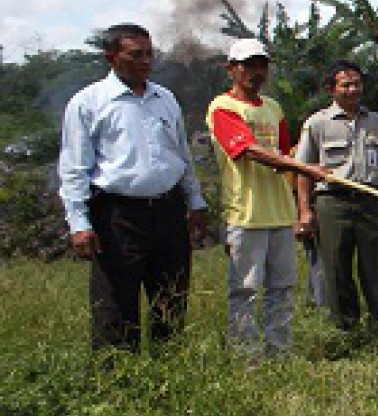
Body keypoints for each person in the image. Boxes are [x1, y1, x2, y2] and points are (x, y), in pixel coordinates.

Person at [57, 23, 208, 351]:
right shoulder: (89, 103)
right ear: (111, 57)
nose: (145, 61)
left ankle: (168, 373)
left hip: (168, 210)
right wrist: (79, 224)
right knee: (115, 302)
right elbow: (74, 168)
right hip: (117, 214)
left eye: (149, 53)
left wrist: (195, 201)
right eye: (135, 54)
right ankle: (118, 384)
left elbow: (181, 154)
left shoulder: (164, 98)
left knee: (171, 296)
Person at [207, 39, 328, 356]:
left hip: (280, 214)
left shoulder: (273, 108)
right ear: (231, 69)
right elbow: (250, 151)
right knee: (245, 290)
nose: (256, 72)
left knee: (282, 288)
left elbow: (286, 154)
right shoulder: (223, 108)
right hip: (246, 215)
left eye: (262, 65)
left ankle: (279, 350)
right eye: (248, 65)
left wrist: (303, 207)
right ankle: (246, 356)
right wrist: (304, 166)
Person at [295, 61, 378, 337]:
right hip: (332, 203)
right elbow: (303, 171)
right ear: (331, 89)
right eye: (345, 84)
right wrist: (304, 211)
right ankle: (346, 330)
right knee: (336, 268)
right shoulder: (317, 123)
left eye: (357, 83)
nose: (353, 89)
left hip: (371, 200)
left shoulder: (377, 122)